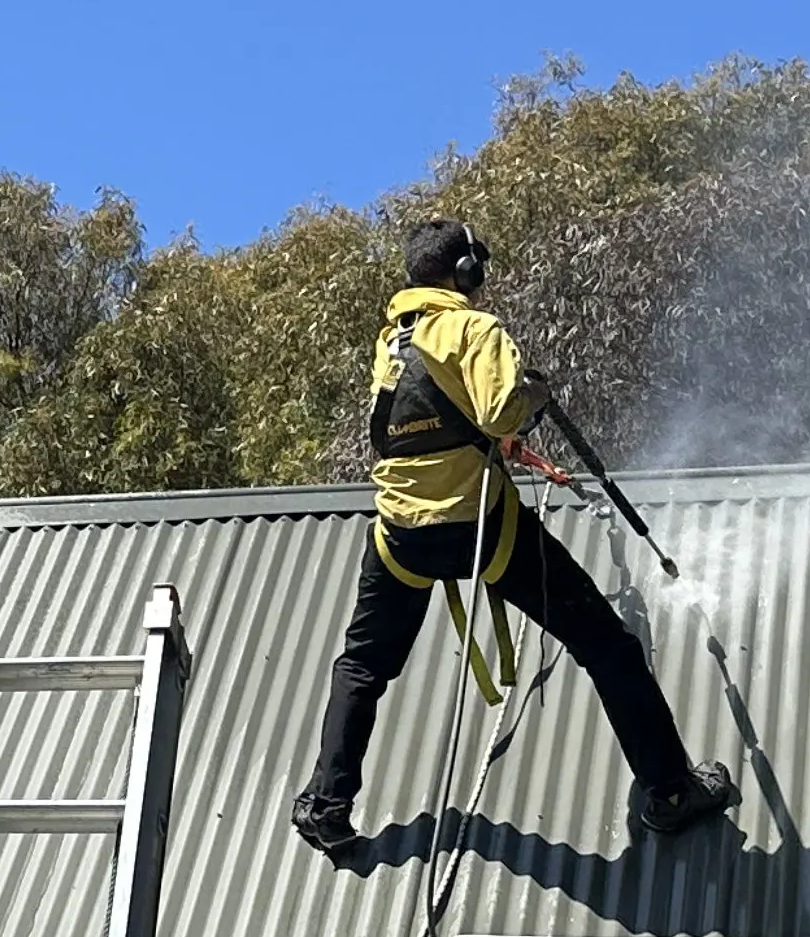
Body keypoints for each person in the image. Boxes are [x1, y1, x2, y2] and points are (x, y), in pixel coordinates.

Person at [290, 219, 738, 857]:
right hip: (480, 527)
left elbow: (428, 423)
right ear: (465, 273)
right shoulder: (476, 328)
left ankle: (324, 806)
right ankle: (670, 793)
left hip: (399, 534)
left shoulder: (392, 341)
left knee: (362, 665)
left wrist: (496, 433)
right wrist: (532, 391)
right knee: (607, 645)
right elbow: (499, 412)